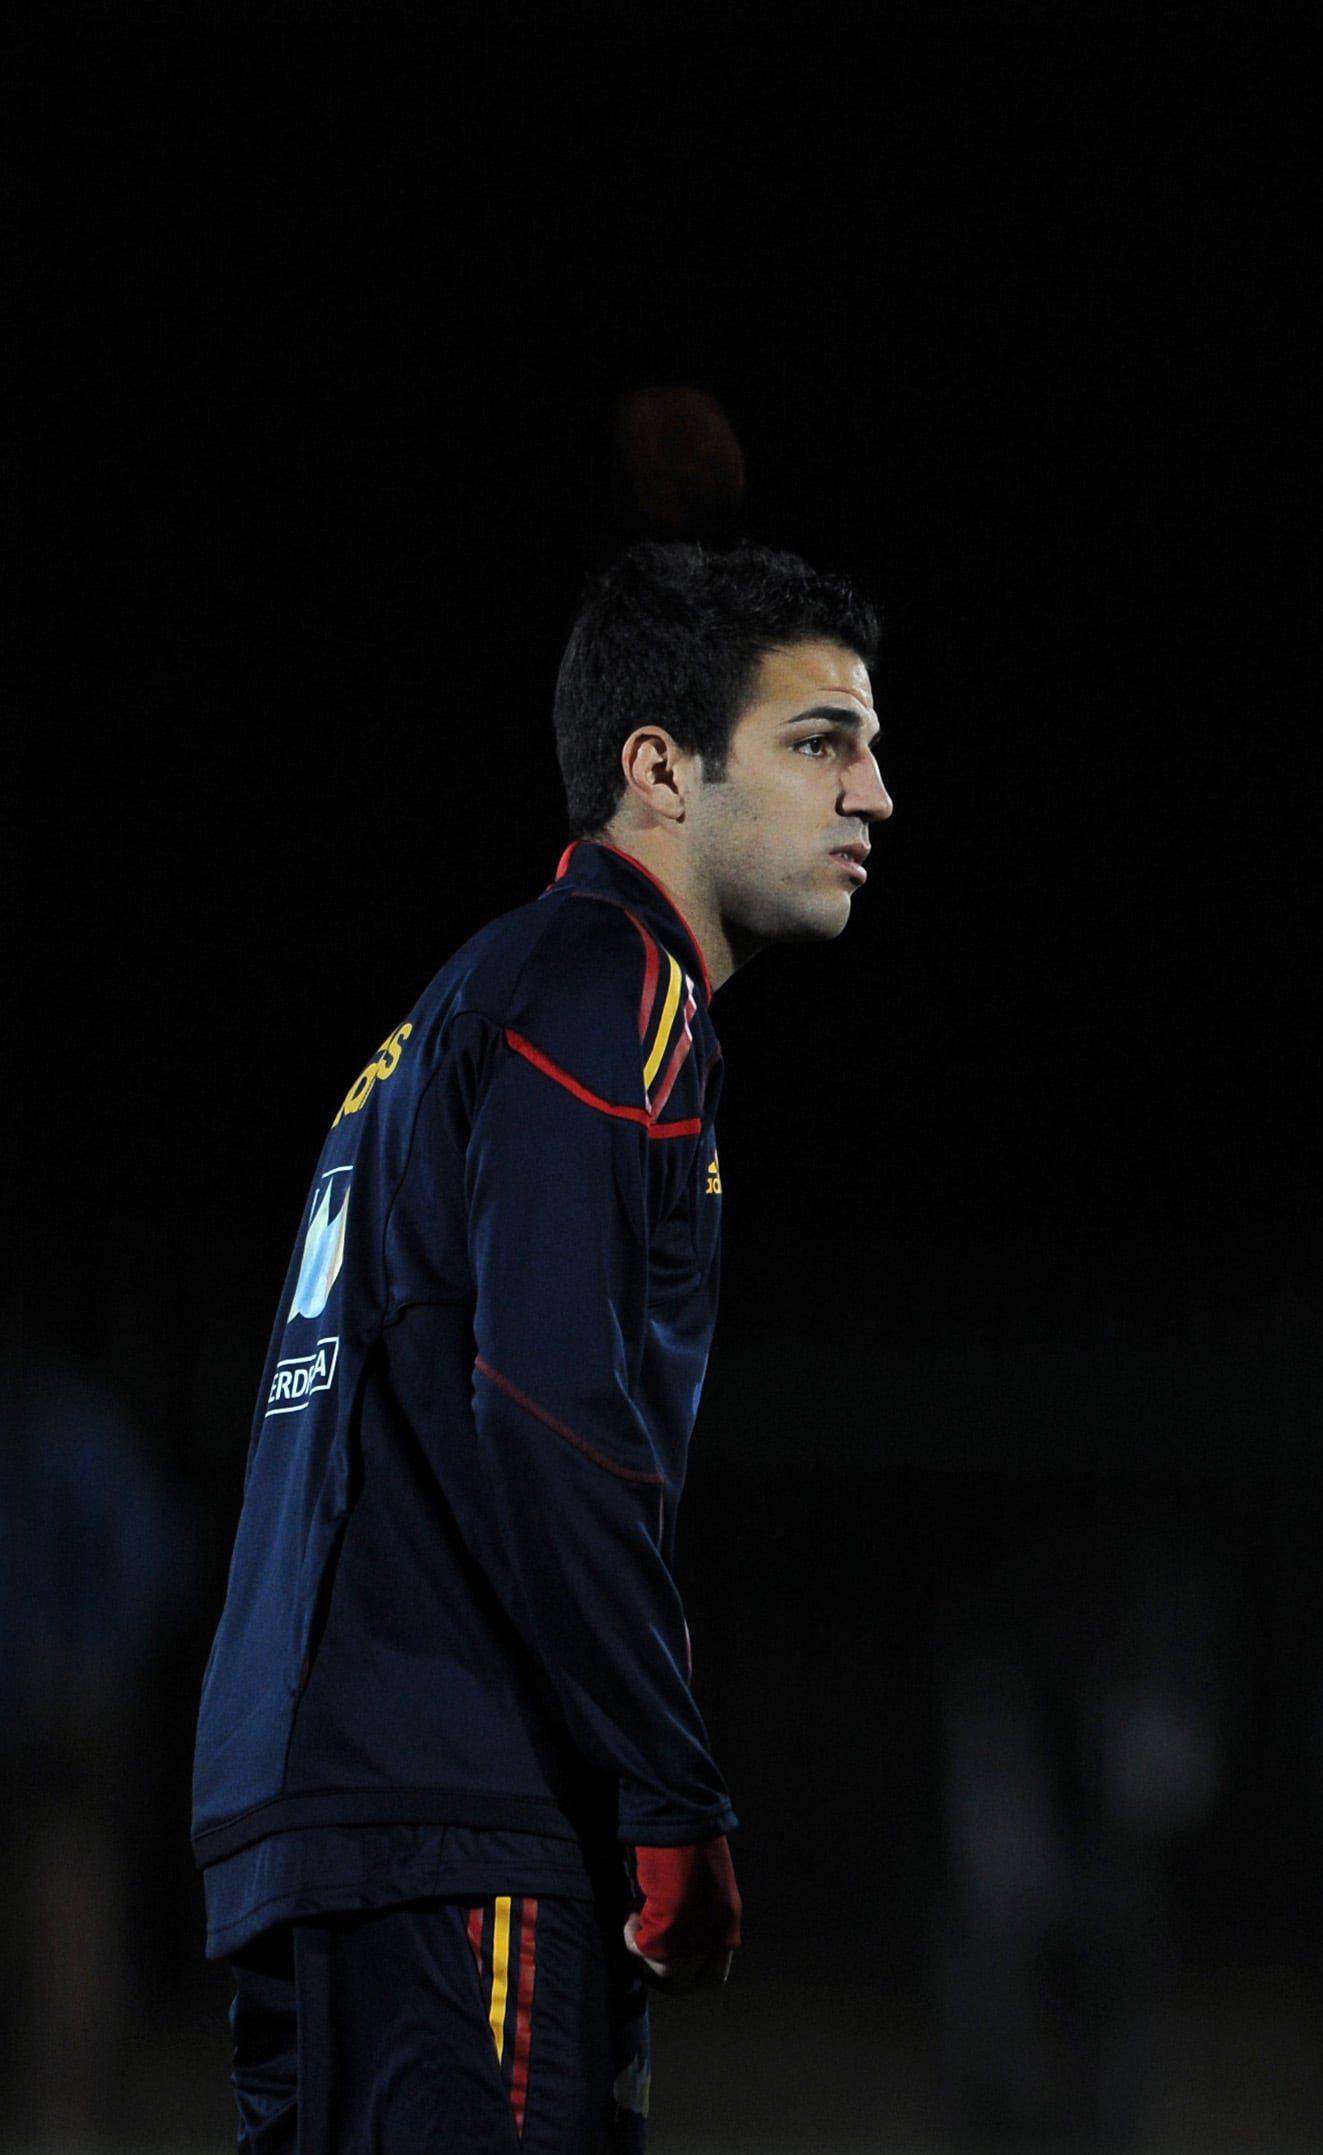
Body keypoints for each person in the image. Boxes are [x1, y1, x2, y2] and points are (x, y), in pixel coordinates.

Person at [191, 542, 894, 2150]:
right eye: (819, 741)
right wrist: (670, 1789)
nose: (873, 793)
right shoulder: (610, 989)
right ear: (660, 769)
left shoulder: (455, 1009)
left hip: (320, 1804)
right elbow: (549, 1409)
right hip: (460, 1809)